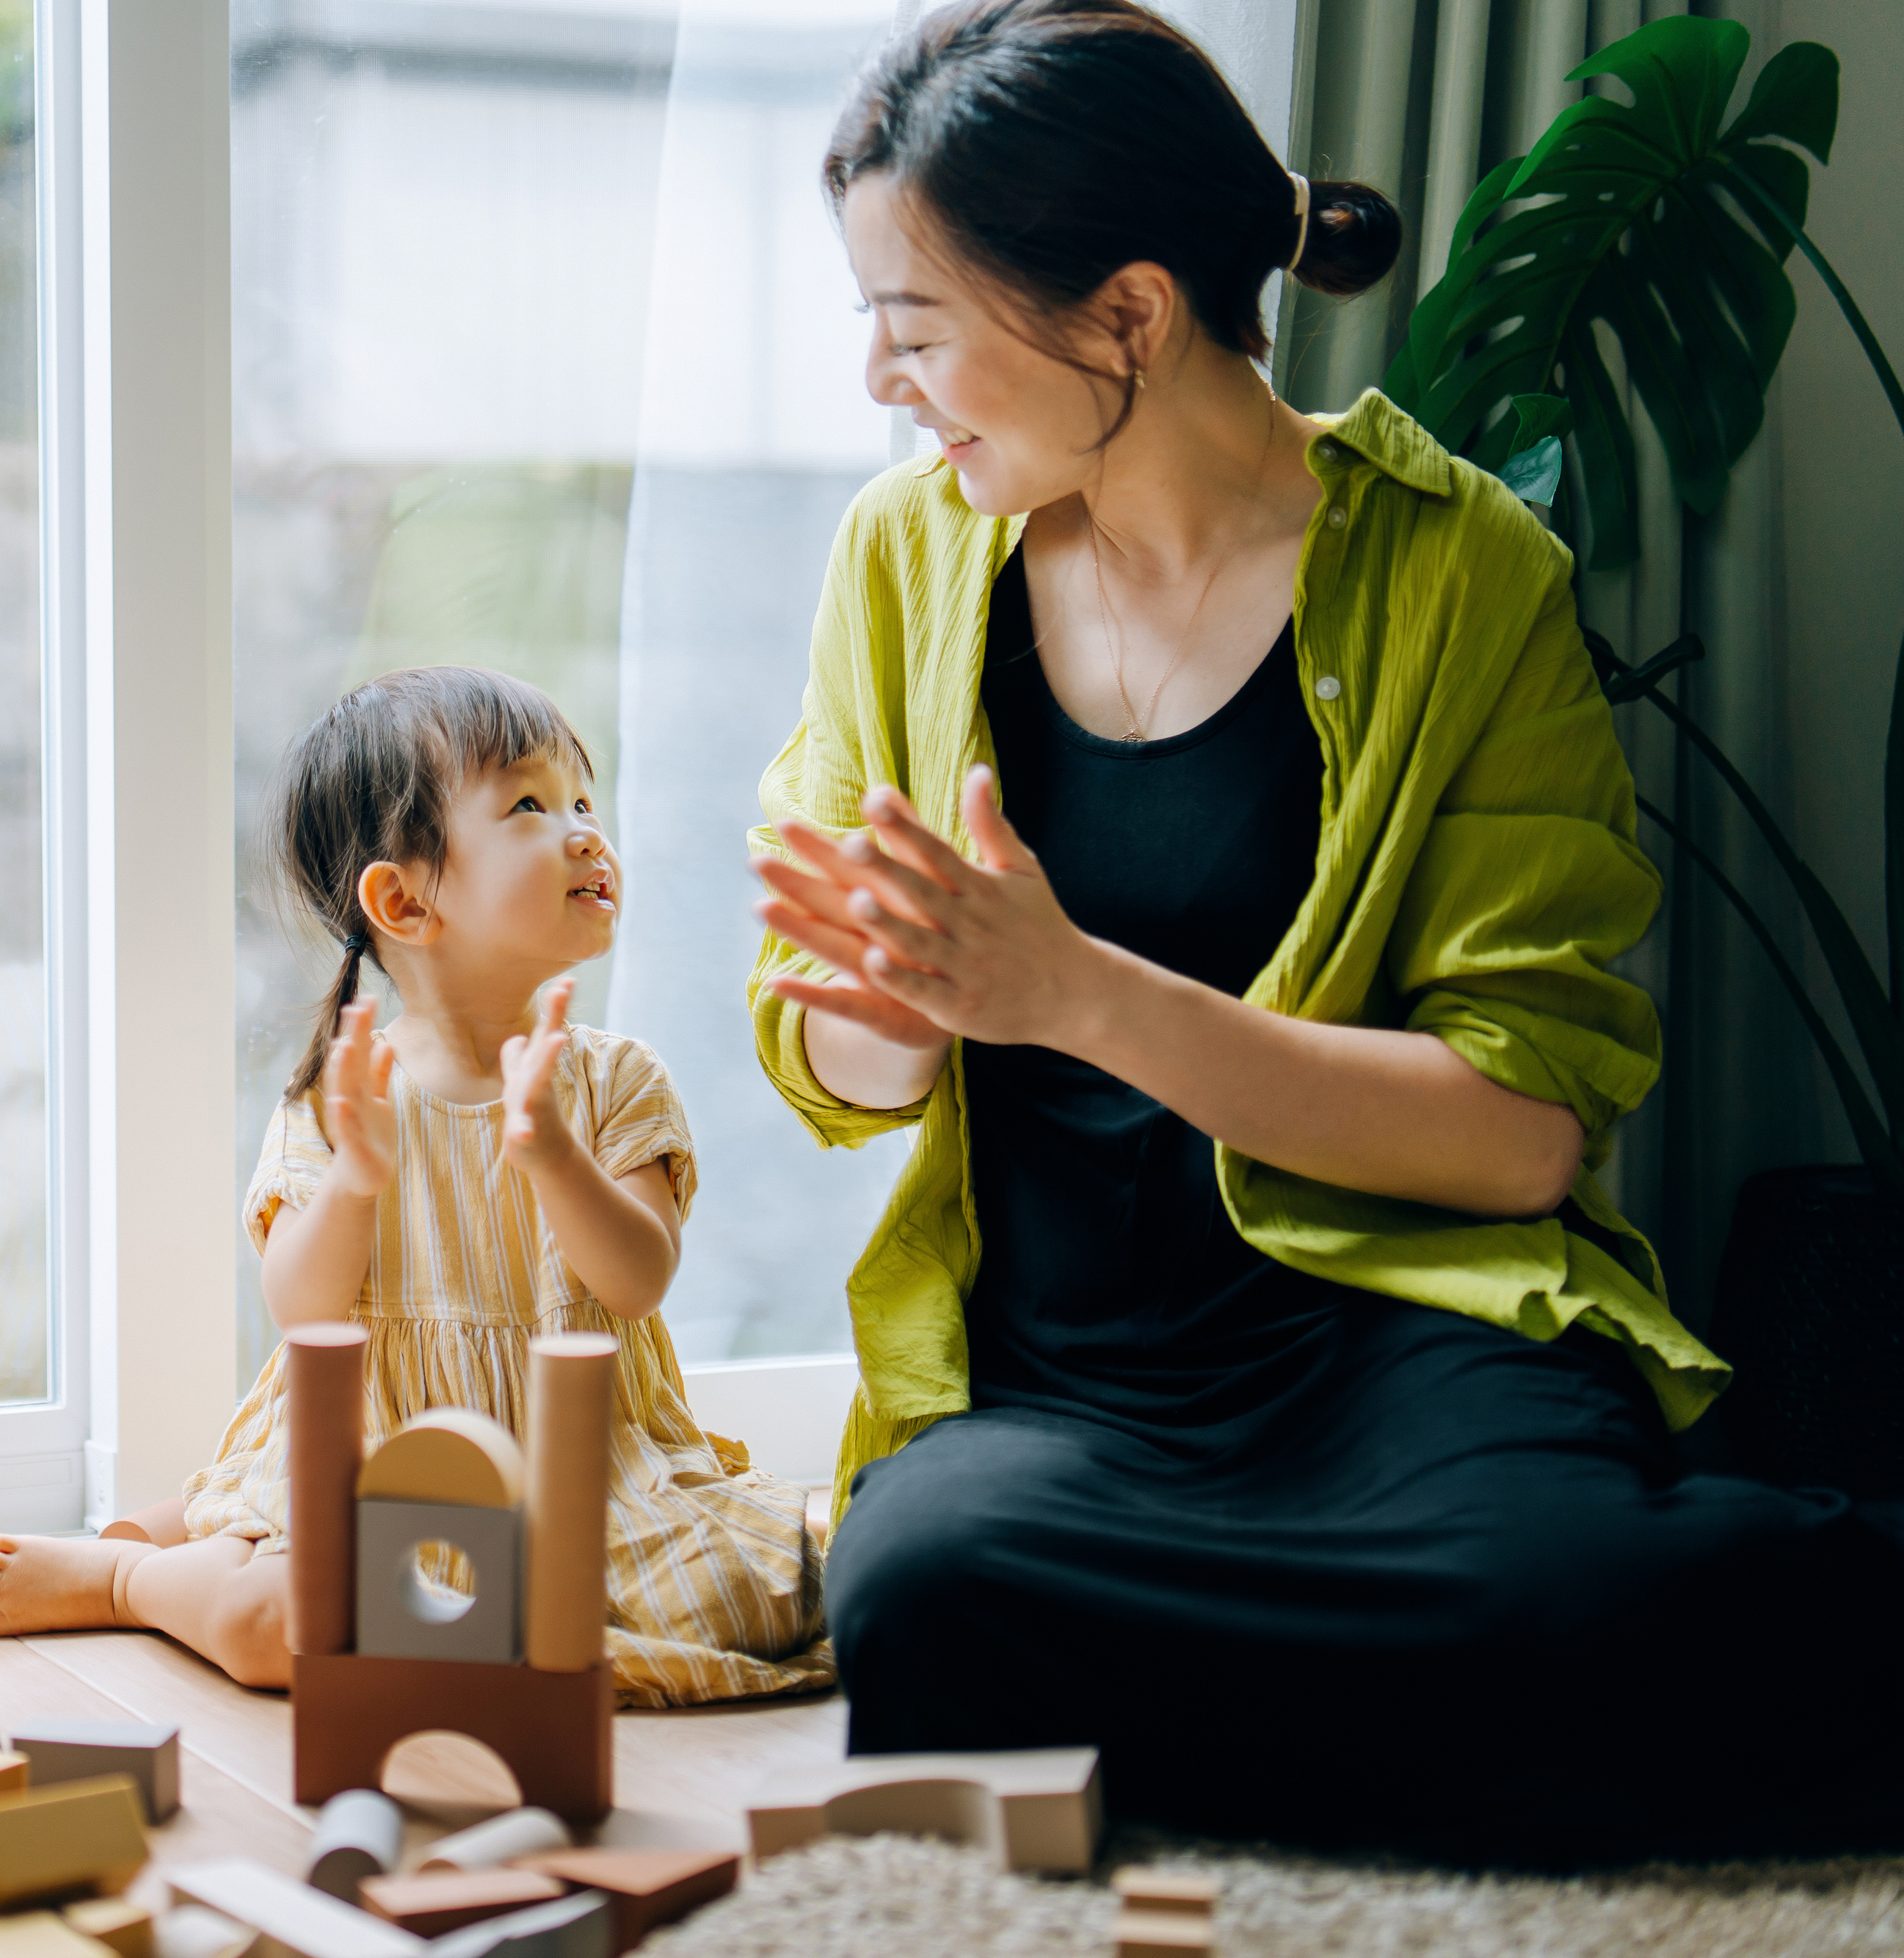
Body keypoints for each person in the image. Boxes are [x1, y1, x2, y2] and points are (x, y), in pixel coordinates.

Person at [749, 0, 1903, 1862]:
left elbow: (1521, 1128)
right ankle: (1507, 1746)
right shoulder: (902, 562)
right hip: (1062, 1386)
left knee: (1566, 1598)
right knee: (921, 1600)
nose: (883, 380)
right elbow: (828, 1049)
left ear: (1124, 314)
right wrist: (895, 1004)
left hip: (1395, 1339)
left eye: (914, 325)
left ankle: (1426, 1706)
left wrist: (1074, 993)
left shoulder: (1462, 571)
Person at [0, 666, 830, 1705]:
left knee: (773, 1596)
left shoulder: (614, 1079)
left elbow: (637, 1281)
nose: (587, 831)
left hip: (586, 1469)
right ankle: (134, 1576)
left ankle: (199, 1526)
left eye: (584, 800)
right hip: (375, 1469)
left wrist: (550, 1150)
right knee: (273, 1627)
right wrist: (358, 1180)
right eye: (530, 807)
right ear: (404, 899)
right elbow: (299, 1307)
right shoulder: (345, 1093)